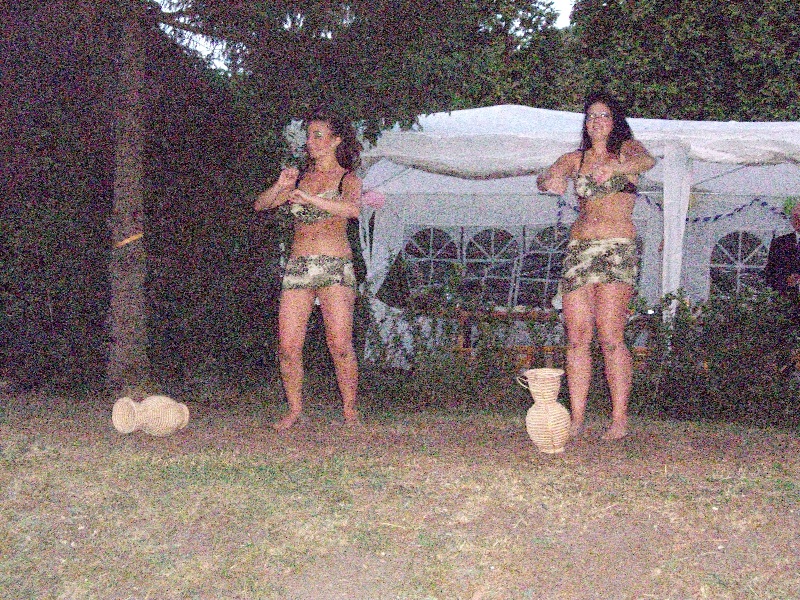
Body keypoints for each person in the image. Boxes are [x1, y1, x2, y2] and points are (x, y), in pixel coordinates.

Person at [536, 92, 655, 440]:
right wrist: (550, 180)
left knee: (611, 336)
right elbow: (547, 175)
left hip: (617, 247)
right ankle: (576, 419)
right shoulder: (576, 158)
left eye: (603, 116)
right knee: (577, 337)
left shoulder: (628, 150)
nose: (596, 122)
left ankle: (619, 419)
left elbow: (647, 161)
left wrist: (616, 168)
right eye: (590, 116)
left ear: (615, 121)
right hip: (580, 249)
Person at [255, 109, 363, 431]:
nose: (311, 142)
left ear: (336, 140)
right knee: (288, 346)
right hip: (298, 267)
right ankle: (294, 410)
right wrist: (280, 186)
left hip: (334, 265)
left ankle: (350, 410)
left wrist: (311, 200)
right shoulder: (300, 179)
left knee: (339, 344)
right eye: (309, 136)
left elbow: (352, 209)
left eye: (318, 135)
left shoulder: (347, 178)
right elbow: (261, 205)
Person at [764, 202, 800, 308]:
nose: (798, 221)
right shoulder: (779, 242)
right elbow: (770, 273)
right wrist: (785, 280)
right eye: (795, 217)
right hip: (784, 304)